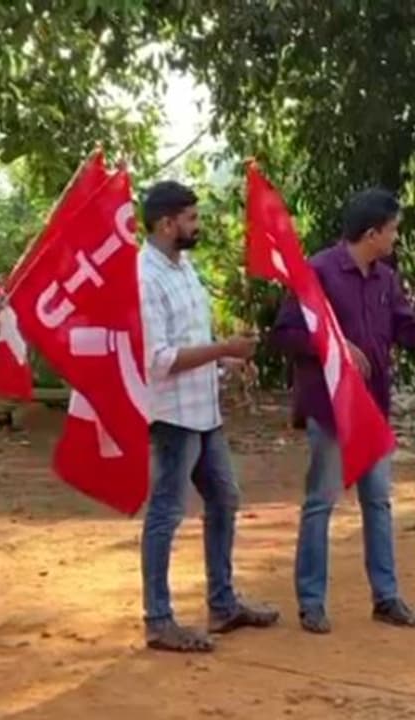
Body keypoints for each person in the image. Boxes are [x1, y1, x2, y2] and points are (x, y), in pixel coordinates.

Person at [138, 180, 280, 653]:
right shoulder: (146, 276)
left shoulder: (184, 267)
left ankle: (222, 604)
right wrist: (223, 348)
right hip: (172, 415)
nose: (198, 226)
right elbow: (159, 358)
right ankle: (159, 619)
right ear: (166, 223)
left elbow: (192, 336)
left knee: (224, 499)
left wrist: (227, 359)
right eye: (192, 219)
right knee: (165, 513)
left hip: (203, 410)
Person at [270, 188, 415, 633]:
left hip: (371, 407)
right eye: (392, 230)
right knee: (321, 502)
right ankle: (311, 601)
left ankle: (386, 597)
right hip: (331, 408)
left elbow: (405, 326)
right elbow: (287, 334)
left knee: (378, 500)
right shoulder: (317, 272)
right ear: (372, 233)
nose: (395, 238)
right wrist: (334, 345)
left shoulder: (386, 278)